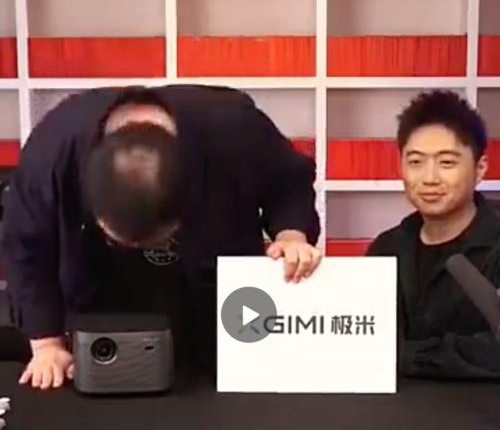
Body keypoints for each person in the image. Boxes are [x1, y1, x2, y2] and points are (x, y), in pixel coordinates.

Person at [1, 84, 321, 390]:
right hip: (101, 309)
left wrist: (291, 235)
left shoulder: (234, 126)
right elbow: (26, 244)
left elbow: (288, 181)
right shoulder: (54, 148)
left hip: (221, 305)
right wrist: (47, 344)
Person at [367, 90, 500, 379]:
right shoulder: (386, 248)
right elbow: (365, 341)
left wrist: (404, 356)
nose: (429, 178)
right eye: (416, 162)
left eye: (447, 163)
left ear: (480, 169)